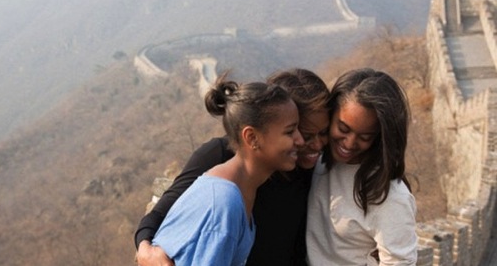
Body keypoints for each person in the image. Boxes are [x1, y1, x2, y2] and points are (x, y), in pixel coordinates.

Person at [134, 68, 331, 266]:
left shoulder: (308, 172)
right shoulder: (222, 167)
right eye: (297, 131)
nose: (315, 144)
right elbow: (163, 213)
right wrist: (145, 250)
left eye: (323, 133)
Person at [306, 68, 418, 265]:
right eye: (343, 129)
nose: (349, 143)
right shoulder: (316, 160)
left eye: (365, 137)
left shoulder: (388, 195)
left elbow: (400, 262)